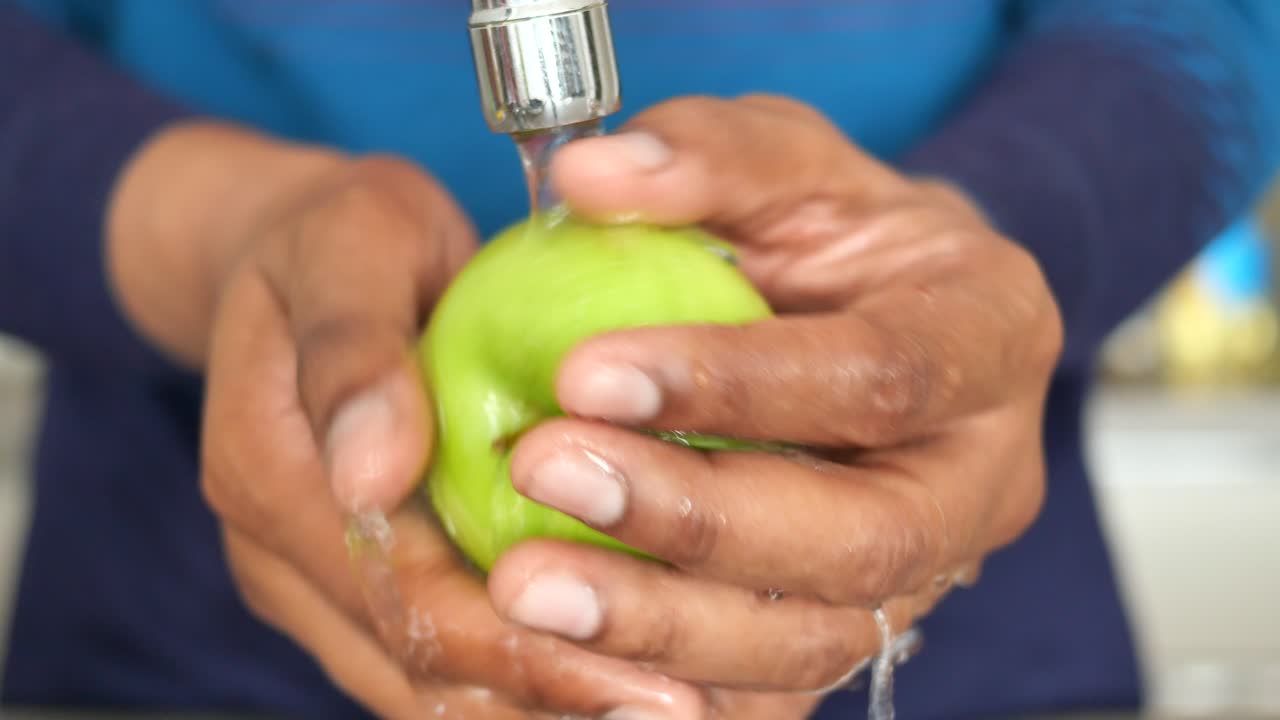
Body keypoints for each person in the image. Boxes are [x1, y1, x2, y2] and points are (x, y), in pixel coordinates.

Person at [1, 1, 1277, 718]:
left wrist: (976, 253)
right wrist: (231, 238)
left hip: (963, 658)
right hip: (183, 655)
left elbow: (1217, 22)